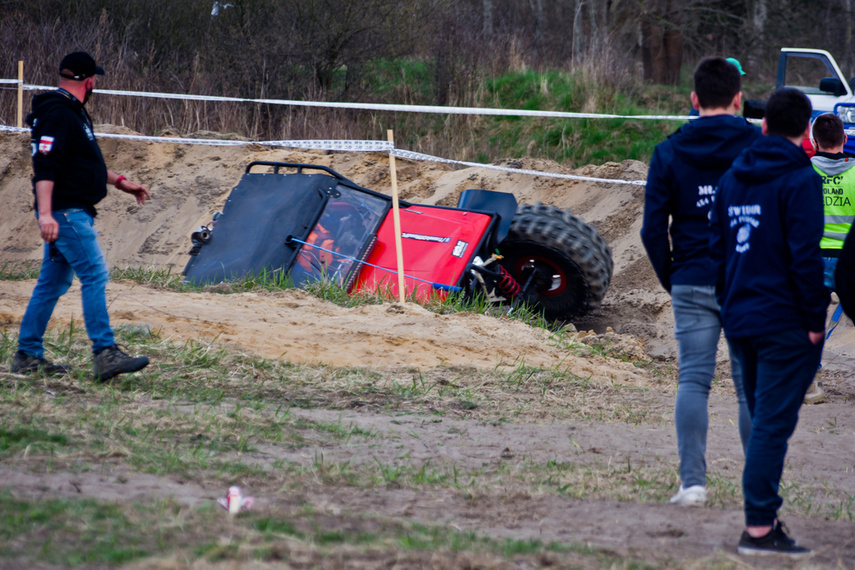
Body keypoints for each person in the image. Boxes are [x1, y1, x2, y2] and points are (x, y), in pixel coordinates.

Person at [710, 87, 828, 557]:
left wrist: (729, 303)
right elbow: (806, 258)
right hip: (783, 323)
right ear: (805, 133)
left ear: (762, 126)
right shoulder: (801, 179)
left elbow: (717, 253)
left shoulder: (730, 179)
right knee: (771, 427)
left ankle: (766, 518)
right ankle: (759, 528)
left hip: (740, 319)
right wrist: (815, 320)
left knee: (762, 420)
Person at [641, 56, 759, 507]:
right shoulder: (755, 143)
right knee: (750, 383)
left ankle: (692, 485)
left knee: (693, 380)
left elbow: (652, 228)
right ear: (738, 99)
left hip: (691, 275)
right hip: (746, 276)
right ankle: (756, 485)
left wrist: (673, 276)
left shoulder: (668, 151)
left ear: (693, 100)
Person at [11, 51, 151, 381]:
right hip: (67, 213)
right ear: (89, 82)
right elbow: (44, 165)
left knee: (52, 283)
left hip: (70, 211)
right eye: (95, 81)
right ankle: (105, 353)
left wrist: (120, 182)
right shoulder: (59, 114)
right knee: (95, 275)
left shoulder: (71, 113)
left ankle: (27, 356)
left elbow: (82, 162)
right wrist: (45, 214)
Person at [804, 112, 855, 403]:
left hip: (813, 258)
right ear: (845, 140)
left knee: (810, 321)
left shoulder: (803, 171)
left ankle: (811, 384)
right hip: (851, 260)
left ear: (814, 141)